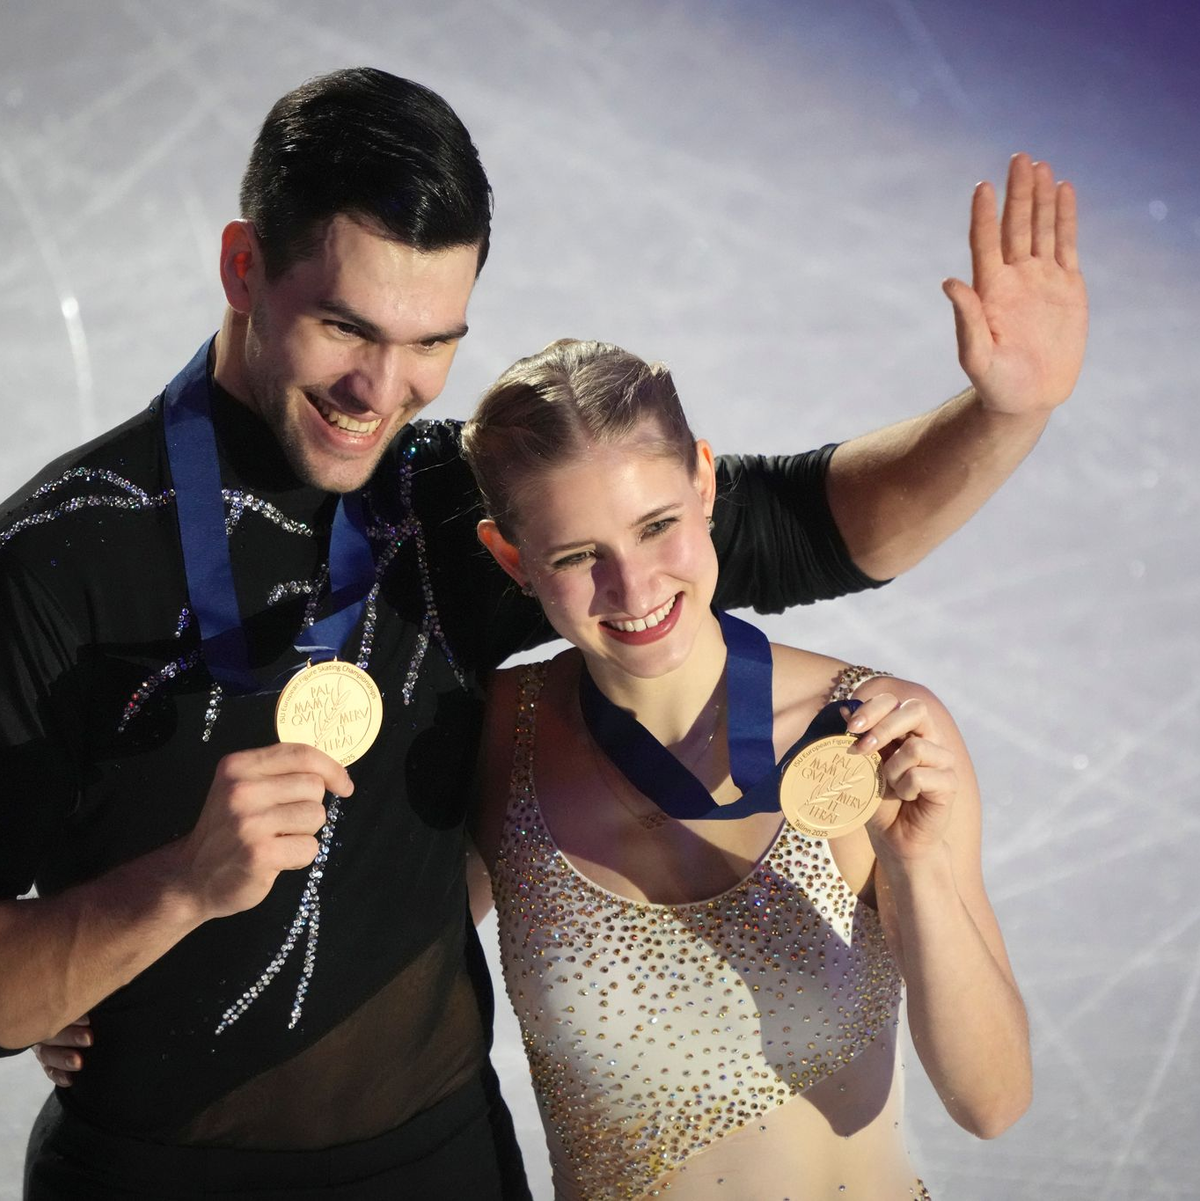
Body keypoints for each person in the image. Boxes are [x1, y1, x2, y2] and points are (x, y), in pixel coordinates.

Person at [2, 65, 1083, 1200]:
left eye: (432, 341)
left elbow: (804, 524)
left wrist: (1008, 414)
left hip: (444, 1164)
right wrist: (162, 896)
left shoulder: (443, 499)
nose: (382, 387)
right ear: (242, 267)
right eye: (343, 326)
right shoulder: (60, 556)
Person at [461, 338, 1032, 1200]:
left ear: (704, 483)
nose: (634, 584)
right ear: (513, 557)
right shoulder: (498, 744)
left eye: (657, 525)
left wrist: (916, 867)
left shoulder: (867, 735)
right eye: (580, 556)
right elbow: (384, 987)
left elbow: (993, 1101)